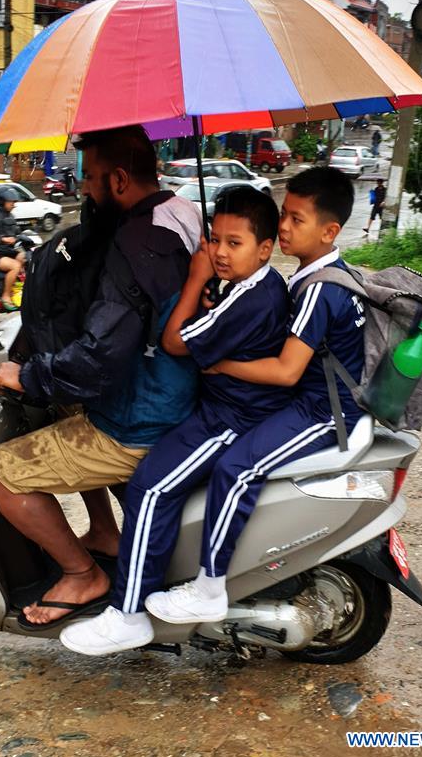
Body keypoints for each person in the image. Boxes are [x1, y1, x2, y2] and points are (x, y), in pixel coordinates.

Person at [61, 167, 366, 655]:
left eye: (296, 219)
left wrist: (206, 307)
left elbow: (199, 348)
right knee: (164, 480)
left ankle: (144, 607)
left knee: (174, 481)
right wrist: (215, 298)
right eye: (283, 215)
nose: (286, 227)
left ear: (329, 232)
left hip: (290, 411)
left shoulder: (315, 289)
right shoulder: (291, 280)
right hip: (251, 405)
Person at [0, 124, 202, 630]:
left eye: (91, 177)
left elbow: (100, 357)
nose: (83, 188)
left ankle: (82, 575)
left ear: (119, 179)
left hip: (140, 418)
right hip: (176, 389)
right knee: (63, 406)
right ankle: (104, 531)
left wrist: (27, 374)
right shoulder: (181, 213)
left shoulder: (136, 242)